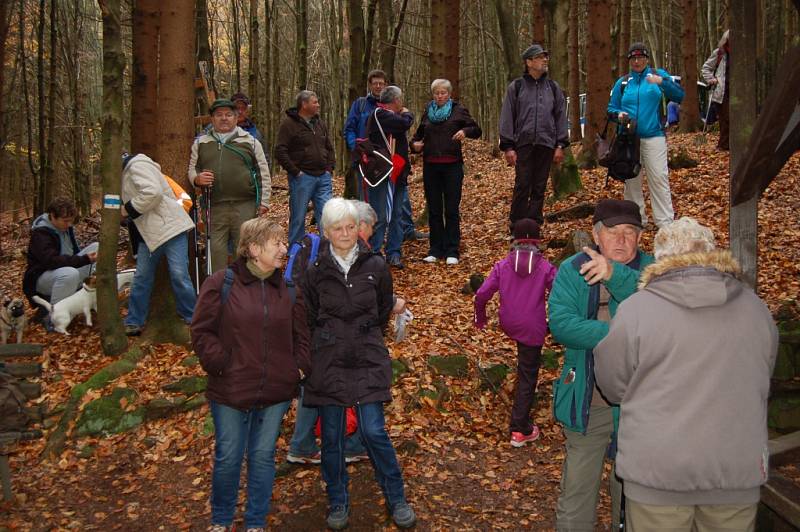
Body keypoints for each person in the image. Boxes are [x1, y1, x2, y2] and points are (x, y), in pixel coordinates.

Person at [595, 217, 777, 531]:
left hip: (657, 473)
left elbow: (613, 385)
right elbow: (764, 374)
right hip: (735, 471)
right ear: (712, 253)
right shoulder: (756, 309)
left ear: (661, 258)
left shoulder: (637, 310)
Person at [191, 218, 310, 532]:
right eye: (278, 243)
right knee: (229, 456)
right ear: (254, 249)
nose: (285, 249)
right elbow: (202, 332)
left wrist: (296, 369)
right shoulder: (221, 283)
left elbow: (302, 336)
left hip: (276, 390)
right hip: (230, 389)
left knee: (262, 457)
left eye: (284, 243)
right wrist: (222, 365)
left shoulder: (288, 289)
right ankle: (221, 520)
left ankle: (255, 522)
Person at [303, 198, 416, 530]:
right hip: (328, 360)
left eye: (351, 226)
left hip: (367, 356)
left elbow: (383, 309)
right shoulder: (315, 272)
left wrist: (365, 334)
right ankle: (338, 500)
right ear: (326, 232)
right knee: (334, 436)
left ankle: (396, 496)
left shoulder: (376, 266)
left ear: (359, 228)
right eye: (338, 228)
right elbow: (309, 317)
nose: (345, 233)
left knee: (373, 430)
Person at [548, 199, 654, 531]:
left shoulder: (657, 272)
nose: (621, 240)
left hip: (644, 404)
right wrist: (619, 334)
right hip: (587, 398)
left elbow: (661, 323)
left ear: (639, 238)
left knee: (635, 493)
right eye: (613, 231)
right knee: (578, 488)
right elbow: (562, 324)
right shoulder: (572, 269)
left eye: (629, 232)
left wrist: (617, 277)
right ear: (596, 235)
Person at [474, 218, 556, 446]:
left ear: (514, 241)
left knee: (524, 361)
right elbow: (560, 292)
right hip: (532, 325)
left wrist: (480, 317)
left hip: (509, 322)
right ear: (538, 242)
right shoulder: (545, 267)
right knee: (528, 374)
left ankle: (520, 419)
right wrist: (559, 321)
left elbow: (481, 294)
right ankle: (520, 428)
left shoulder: (503, 265)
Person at [189, 98, 271, 273]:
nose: (224, 118)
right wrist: (197, 179)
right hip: (214, 205)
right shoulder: (201, 143)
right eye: (219, 115)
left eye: (228, 115)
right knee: (215, 250)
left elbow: (263, 172)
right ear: (212, 119)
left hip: (245, 204)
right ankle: (218, 289)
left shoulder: (250, 141)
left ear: (236, 118)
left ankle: (242, 289)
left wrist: (264, 202)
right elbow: (192, 169)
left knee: (243, 249)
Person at [608, 42, 684, 229]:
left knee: (658, 178)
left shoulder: (658, 75)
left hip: (654, 135)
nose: (637, 61)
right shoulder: (624, 83)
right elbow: (611, 108)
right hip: (628, 139)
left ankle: (665, 223)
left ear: (647, 59)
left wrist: (662, 82)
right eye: (633, 58)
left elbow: (680, 95)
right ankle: (635, 220)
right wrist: (618, 115)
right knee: (631, 180)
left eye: (641, 58)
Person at [344, 70, 426, 241]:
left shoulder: (392, 110)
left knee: (399, 205)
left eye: (381, 83)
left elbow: (400, 132)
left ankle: (403, 235)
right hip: (371, 163)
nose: (378, 86)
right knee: (370, 207)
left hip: (394, 165)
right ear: (370, 84)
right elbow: (350, 129)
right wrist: (358, 149)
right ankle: (367, 244)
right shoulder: (362, 105)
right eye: (375, 83)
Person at [120, 153, 196, 336]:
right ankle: (134, 320)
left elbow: (152, 192)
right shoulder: (128, 172)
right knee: (142, 277)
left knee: (179, 274)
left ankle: (193, 316)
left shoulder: (136, 166)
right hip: (151, 233)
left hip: (170, 227)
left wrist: (128, 209)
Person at [411, 79, 482, 265]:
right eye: (436, 93)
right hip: (431, 165)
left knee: (451, 209)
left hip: (452, 166)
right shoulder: (428, 112)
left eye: (443, 93)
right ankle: (435, 249)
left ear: (449, 94)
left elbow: (476, 129)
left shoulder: (458, 110)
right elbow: (417, 136)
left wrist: (465, 132)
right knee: (434, 209)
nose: (440, 96)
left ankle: (452, 250)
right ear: (433, 95)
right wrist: (415, 145)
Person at [499, 43, 568, 228]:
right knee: (523, 185)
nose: (544, 60)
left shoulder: (553, 87)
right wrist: (508, 146)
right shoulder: (517, 87)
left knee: (539, 187)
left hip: (546, 144)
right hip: (523, 144)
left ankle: (534, 226)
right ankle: (517, 226)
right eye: (539, 57)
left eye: (545, 57)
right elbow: (507, 116)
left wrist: (560, 145)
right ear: (528, 62)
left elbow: (561, 116)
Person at [275, 90, 336, 246]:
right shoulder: (288, 124)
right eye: (314, 102)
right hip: (302, 178)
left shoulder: (319, 123)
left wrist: (329, 169)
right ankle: (296, 251)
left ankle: (326, 250)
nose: (318, 105)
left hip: (323, 176)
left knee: (326, 215)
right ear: (304, 104)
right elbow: (280, 151)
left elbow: (328, 147)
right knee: (299, 215)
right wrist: (296, 171)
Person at [364, 85, 414, 269]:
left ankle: (394, 252)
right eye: (400, 100)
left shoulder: (390, 116)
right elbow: (404, 124)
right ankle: (375, 252)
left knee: (396, 215)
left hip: (397, 174)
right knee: (381, 215)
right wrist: (408, 114)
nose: (402, 103)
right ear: (396, 101)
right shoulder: (380, 114)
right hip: (382, 174)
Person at [22, 197, 98, 316]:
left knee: (97, 247)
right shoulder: (41, 233)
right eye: (65, 221)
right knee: (70, 274)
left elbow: (73, 253)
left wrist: (86, 259)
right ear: (52, 216)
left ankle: (93, 297)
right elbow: (51, 261)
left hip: (65, 270)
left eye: (71, 221)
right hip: (43, 278)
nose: (69, 224)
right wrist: (84, 259)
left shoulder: (66, 228)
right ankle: (55, 316)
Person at [701, 30, 730, 151]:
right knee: (725, 120)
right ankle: (723, 145)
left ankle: (730, 145)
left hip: (739, 93)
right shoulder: (719, 53)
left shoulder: (742, 54)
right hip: (721, 92)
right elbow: (705, 68)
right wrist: (712, 80)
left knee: (734, 120)